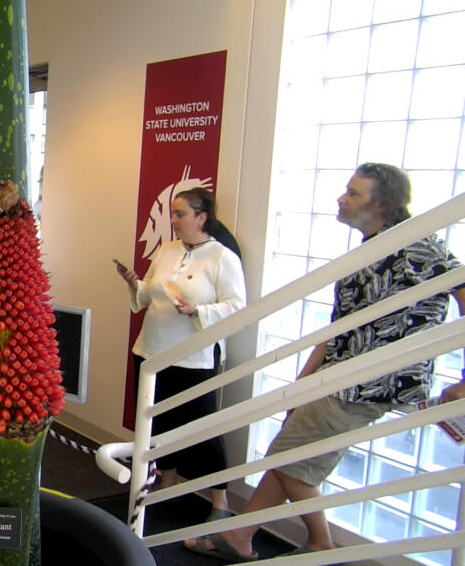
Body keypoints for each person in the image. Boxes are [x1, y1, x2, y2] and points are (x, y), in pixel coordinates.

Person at [185, 163, 465, 562]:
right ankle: (241, 535)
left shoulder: (416, 243)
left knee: (289, 457)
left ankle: (319, 542)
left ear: (382, 203)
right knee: (290, 449)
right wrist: (302, 384)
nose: (341, 198)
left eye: (353, 192)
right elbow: (339, 331)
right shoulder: (370, 247)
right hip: (340, 375)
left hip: (373, 380)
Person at [117, 187, 246, 523]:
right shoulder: (167, 250)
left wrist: (198, 310)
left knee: (201, 430)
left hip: (193, 358)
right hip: (151, 350)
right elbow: (148, 295)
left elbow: (237, 307)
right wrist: (134, 284)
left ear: (202, 216)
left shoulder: (222, 258)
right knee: (156, 423)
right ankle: (166, 481)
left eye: (180, 214)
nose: (172, 221)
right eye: (172, 214)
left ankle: (220, 501)